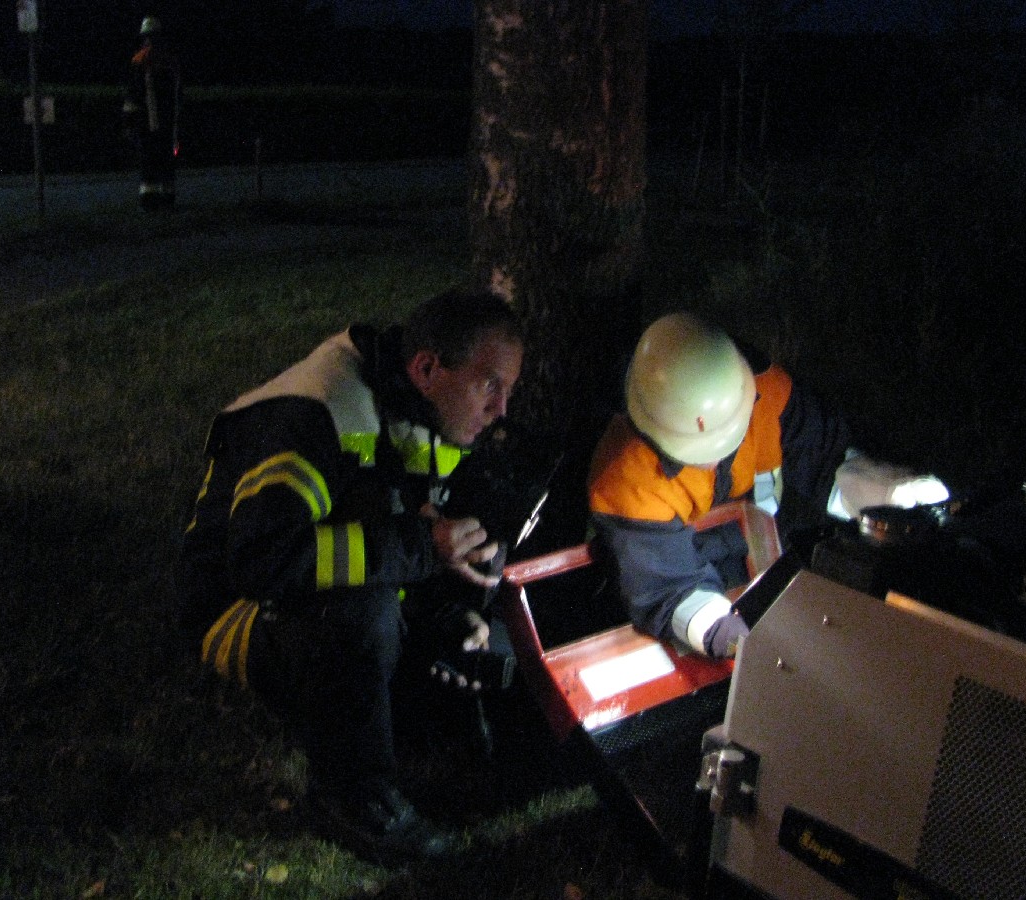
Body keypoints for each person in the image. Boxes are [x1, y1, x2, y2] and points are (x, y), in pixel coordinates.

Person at [174, 289, 523, 863]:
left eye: (508, 389)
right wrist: (421, 548)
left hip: (329, 582)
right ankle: (353, 797)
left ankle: (415, 724)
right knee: (359, 614)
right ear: (427, 368)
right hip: (238, 609)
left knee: (433, 616)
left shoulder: (421, 400)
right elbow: (263, 561)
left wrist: (453, 604)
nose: (501, 409)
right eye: (489, 385)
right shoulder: (317, 413)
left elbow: (407, 516)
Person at [587, 312, 948, 659]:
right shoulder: (625, 480)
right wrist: (721, 632)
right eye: (695, 451)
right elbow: (666, 588)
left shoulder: (769, 392)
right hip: (666, 608)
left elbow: (825, 460)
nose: (711, 460)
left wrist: (889, 493)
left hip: (760, 573)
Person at [122, 16, 181, 210]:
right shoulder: (170, 60)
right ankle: (167, 199)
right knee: (166, 160)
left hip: (147, 123)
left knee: (149, 162)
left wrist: (129, 123)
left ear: (145, 37)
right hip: (168, 123)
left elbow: (132, 95)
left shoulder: (140, 60)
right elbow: (177, 94)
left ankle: (149, 201)